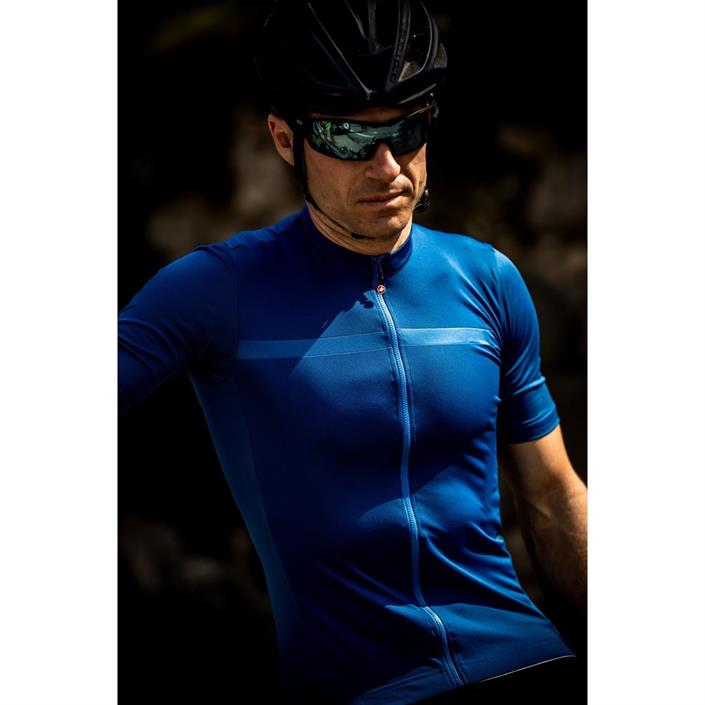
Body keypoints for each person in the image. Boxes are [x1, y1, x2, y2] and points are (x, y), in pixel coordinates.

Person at [118, 1, 588, 703]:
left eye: (406, 130)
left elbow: (551, 495)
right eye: (348, 136)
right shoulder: (215, 290)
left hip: (530, 662)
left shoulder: (487, 279)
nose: (386, 165)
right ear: (286, 139)